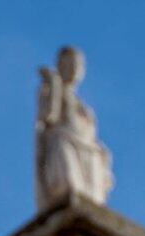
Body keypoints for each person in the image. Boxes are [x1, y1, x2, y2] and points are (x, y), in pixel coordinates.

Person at [35, 46, 113, 210]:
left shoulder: (83, 106)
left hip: (87, 150)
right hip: (64, 142)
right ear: (60, 65)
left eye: (79, 65)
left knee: (91, 203)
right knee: (67, 189)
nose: (75, 68)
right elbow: (47, 116)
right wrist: (53, 84)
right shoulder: (53, 89)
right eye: (70, 63)